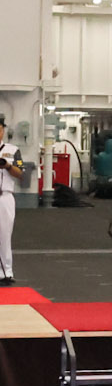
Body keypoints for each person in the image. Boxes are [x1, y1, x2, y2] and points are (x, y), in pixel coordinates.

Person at [0, 117, 24, 285]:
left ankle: (6, 272)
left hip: (4, 196)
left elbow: (20, 173)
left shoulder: (13, 150)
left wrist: (7, 166)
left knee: (4, 235)